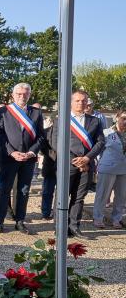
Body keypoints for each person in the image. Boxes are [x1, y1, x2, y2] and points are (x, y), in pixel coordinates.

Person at [0, 83, 45, 234]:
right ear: (13, 95)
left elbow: (41, 136)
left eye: (25, 94)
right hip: (9, 157)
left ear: (29, 95)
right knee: (4, 190)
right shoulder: (4, 111)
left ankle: (20, 221)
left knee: (23, 190)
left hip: (28, 158)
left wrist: (32, 152)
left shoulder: (36, 112)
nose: (22, 96)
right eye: (19, 94)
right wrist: (12, 152)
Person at [55, 91, 106, 237]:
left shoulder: (95, 121)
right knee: (62, 196)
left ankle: (74, 227)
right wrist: (74, 160)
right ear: (71, 102)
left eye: (84, 101)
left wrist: (87, 158)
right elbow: (55, 142)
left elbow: (100, 142)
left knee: (79, 197)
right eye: (77, 100)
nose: (81, 103)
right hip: (67, 164)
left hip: (87, 164)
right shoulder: (62, 119)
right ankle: (60, 227)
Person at [93, 110, 126, 228]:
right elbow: (98, 150)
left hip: (124, 169)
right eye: (123, 118)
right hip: (108, 168)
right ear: (117, 117)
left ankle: (117, 219)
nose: (125, 122)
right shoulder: (106, 133)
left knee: (121, 196)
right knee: (103, 194)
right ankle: (98, 218)